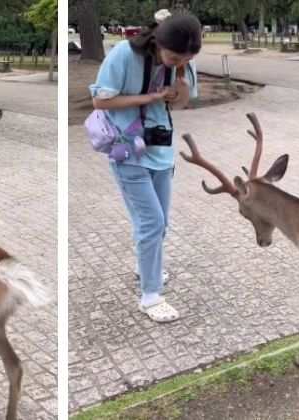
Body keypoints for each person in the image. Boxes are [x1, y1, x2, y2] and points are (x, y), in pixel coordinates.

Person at [89, 11, 200, 323]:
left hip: (161, 152)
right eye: (174, 56)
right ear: (158, 42)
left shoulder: (184, 63)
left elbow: (181, 105)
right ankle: (151, 296)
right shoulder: (124, 54)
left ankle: (145, 267)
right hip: (127, 150)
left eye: (186, 58)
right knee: (151, 222)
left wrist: (180, 85)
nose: (179, 61)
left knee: (159, 224)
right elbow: (100, 102)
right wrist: (151, 96)